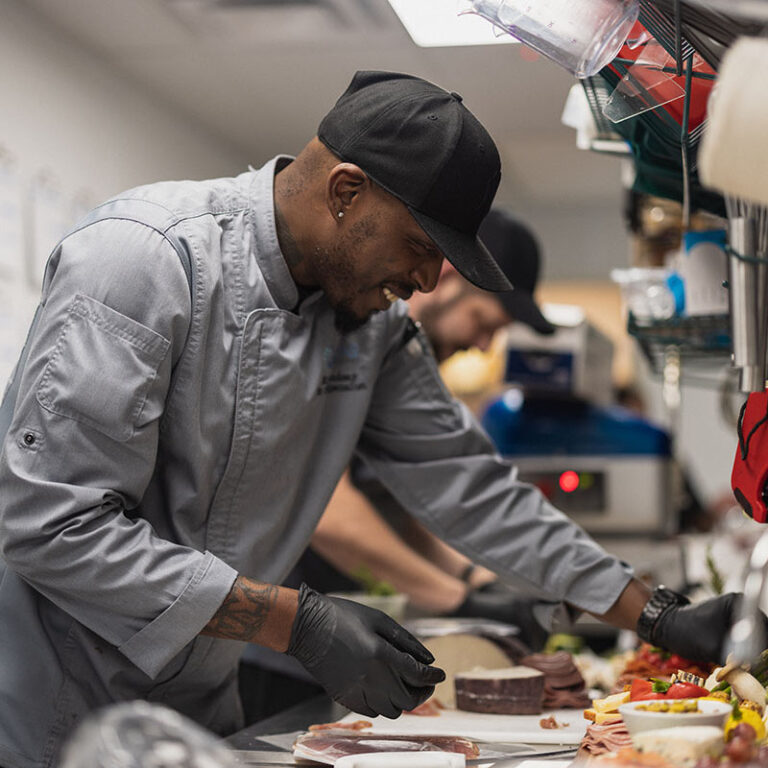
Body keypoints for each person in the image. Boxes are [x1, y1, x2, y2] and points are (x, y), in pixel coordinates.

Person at [0, 70, 756, 768]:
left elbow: (470, 485)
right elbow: (49, 523)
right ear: (345, 191)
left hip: (201, 703)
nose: (428, 280)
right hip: (52, 705)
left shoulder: (371, 328)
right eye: (423, 247)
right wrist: (295, 621)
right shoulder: (142, 263)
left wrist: (652, 613)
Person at [238, 209, 558, 722]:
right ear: (447, 278)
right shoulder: (343, 346)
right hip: (276, 644)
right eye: (484, 322)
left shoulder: (400, 372)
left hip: (345, 641)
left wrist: (477, 582)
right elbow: (330, 513)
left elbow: (399, 507)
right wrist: (456, 600)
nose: (483, 345)